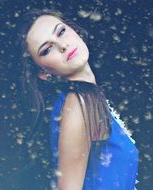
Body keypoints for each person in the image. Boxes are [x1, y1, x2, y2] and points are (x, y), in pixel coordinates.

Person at [16, 8, 139, 190]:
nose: (62, 45)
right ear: (44, 73)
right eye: (47, 49)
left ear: (76, 31)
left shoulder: (89, 99)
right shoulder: (77, 104)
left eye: (61, 32)